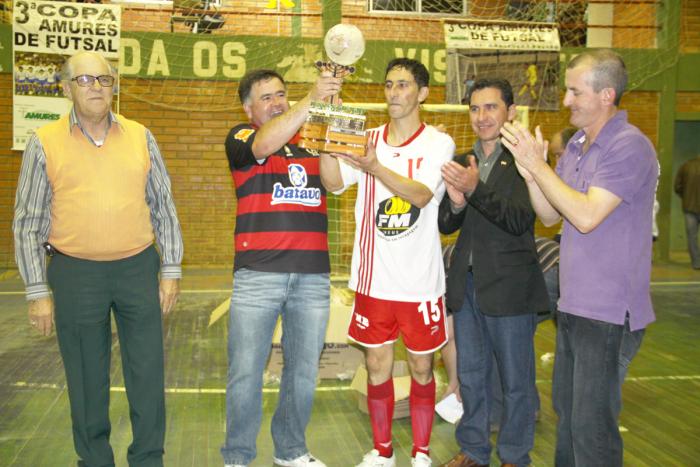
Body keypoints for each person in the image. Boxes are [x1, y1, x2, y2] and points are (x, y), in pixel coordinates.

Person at [12, 51, 183, 467]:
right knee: (86, 376)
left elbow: (163, 207)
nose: (96, 88)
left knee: (147, 372)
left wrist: (170, 269)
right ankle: (94, 459)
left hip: (137, 268)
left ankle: (148, 458)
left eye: (103, 80)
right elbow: (28, 222)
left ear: (114, 86)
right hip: (74, 273)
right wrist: (38, 291)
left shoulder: (142, 136)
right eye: (85, 80)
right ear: (66, 88)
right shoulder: (44, 142)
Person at [501, 49, 658, 467]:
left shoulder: (629, 147)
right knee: (568, 418)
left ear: (606, 95)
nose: (566, 100)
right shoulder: (577, 148)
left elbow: (587, 216)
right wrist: (532, 172)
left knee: (592, 428)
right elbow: (552, 214)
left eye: (575, 91)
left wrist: (540, 165)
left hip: (607, 313)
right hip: (572, 307)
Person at [320, 58, 455, 467]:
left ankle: (421, 452)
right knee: (377, 365)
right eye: (389, 84)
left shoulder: (438, 142)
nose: (394, 92)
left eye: (403, 85)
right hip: (374, 281)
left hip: (420, 283)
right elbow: (333, 182)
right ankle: (382, 452)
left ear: (423, 93)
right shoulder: (367, 138)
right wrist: (328, 140)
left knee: (420, 368)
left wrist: (376, 167)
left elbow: (421, 195)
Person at [221, 68, 341, 467]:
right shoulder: (241, 137)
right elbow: (265, 141)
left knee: (303, 372)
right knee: (246, 373)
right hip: (258, 276)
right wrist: (313, 99)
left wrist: (328, 128)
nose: (276, 102)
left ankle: (291, 450)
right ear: (248, 107)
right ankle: (237, 457)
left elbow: (335, 181)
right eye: (266, 97)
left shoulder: (308, 138)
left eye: (281, 95)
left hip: (312, 276)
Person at [438, 78, 549, 467]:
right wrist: (454, 202)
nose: (481, 117)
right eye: (474, 108)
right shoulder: (466, 158)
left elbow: (520, 219)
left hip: (509, 287)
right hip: (467, 286)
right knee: (471, 374)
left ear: (510, 112)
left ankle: (515, 455)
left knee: (516, 380)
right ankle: (473, 449)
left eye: (490, 108)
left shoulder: (525, 159)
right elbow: (448, 223)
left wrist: (475, 189)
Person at [674, 154, 700, 269]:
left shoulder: (685, 166)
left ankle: (696, 263)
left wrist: (685, 197)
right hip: (690, 205)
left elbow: (677, 187)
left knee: (691, 236)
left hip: (689, 207)